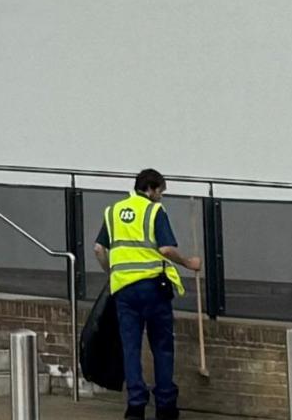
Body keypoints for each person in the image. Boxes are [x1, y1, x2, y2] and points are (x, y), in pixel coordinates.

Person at [96, 169, 199, 420]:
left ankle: (135, 406)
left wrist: (113, 272)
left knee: (130, 347)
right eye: (160, 192)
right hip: (153, 288)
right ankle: (165, 405)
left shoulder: (113, 212)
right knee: (162, 347)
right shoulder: (154, 211)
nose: (161, 198)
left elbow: (99, 249)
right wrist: (188, 262)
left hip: (124, 291)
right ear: (151, 189)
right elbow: (165, 248)